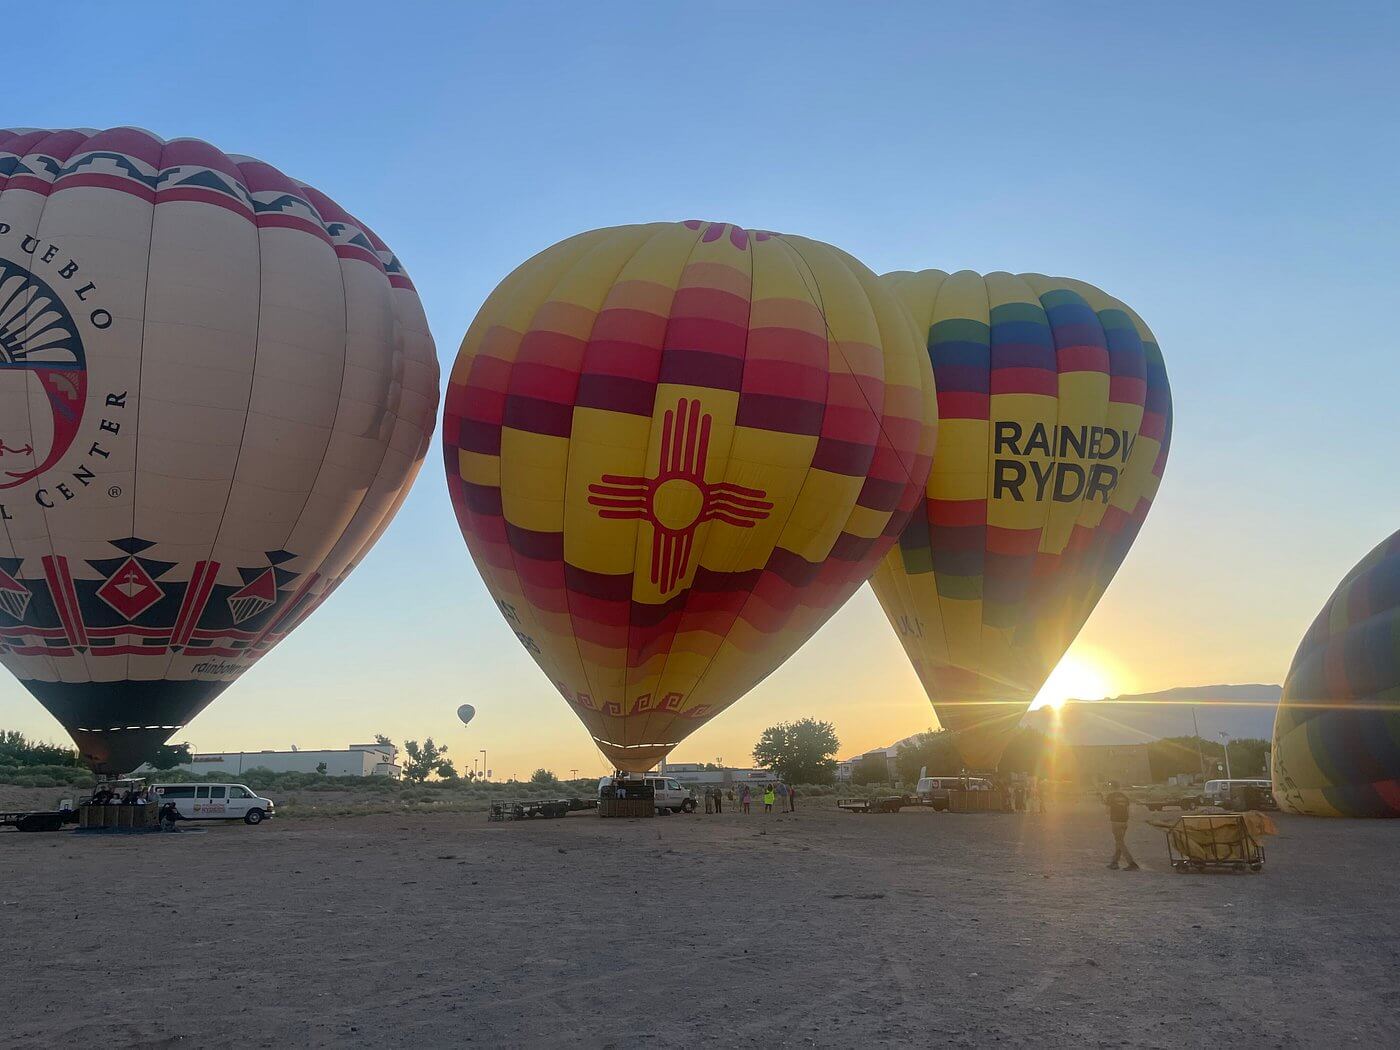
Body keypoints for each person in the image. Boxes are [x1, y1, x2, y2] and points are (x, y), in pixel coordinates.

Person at [1104, 785, 1139, 871]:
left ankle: (1131, 863)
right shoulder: (1124, 797)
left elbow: (1107, 811)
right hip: (1124, 821)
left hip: (1116, 821)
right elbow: (1128, 810)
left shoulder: (1110, 796)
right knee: (1119, 842)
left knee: (1120, 842)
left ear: (1111, 788)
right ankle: (1114, 862)